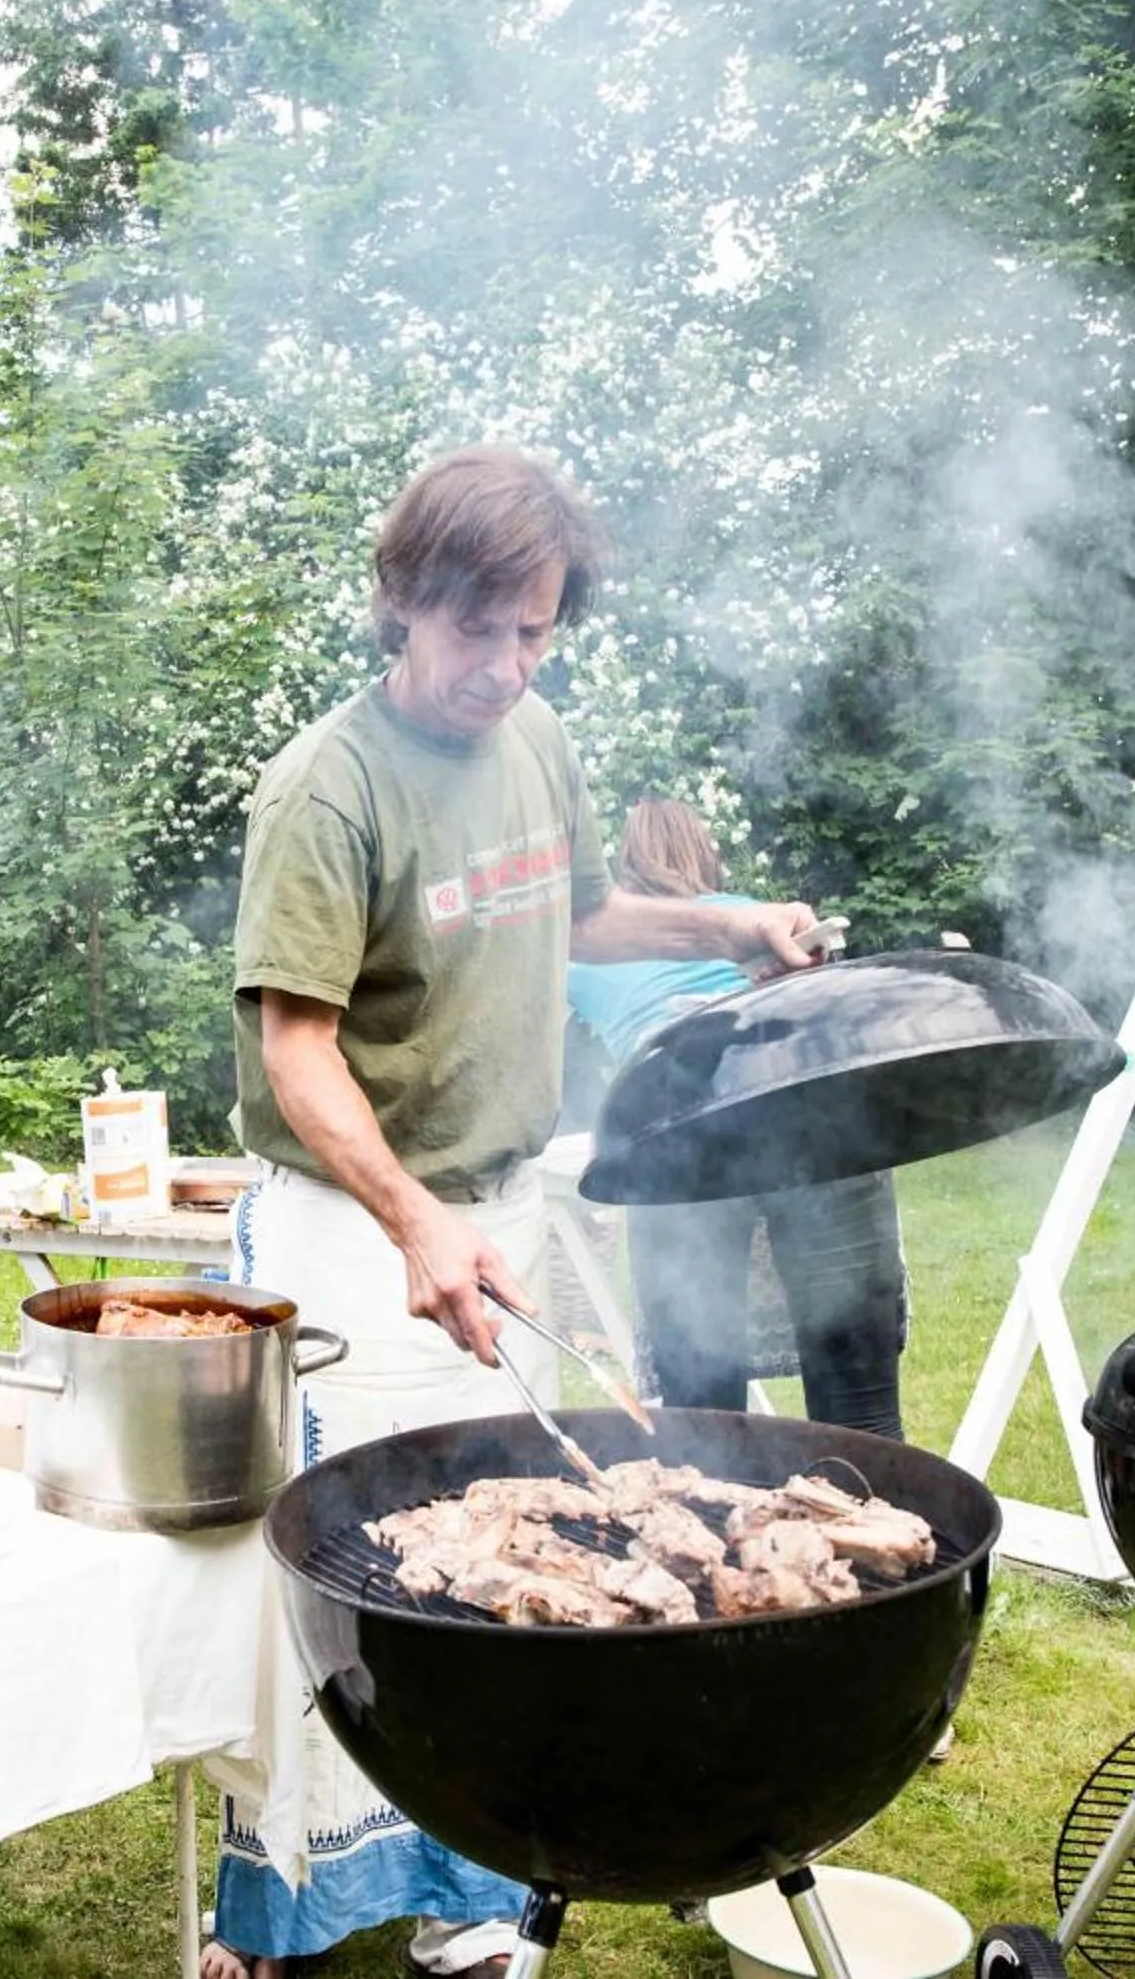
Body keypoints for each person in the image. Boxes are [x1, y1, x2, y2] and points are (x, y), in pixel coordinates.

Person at [210, 446, 824, 1979]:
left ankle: (480, 1887)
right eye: (479, 629)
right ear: (404, 603)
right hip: (353, 1224)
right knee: (350, 1575)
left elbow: (579, 913)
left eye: (536, 632)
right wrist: (415, 1219)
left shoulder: (537, 736)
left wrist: (725, 919)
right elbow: (296, 1048)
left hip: (502, 1203)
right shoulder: (326, 785)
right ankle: (283, 1911)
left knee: (507, 1559)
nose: (506, 665)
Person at [565, 799, 910, 1436]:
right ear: (706, 852)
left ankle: (716, 1521)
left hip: (679, 1134)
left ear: (621, 867)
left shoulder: (582, 953)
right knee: (860, 1415)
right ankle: (877, 1526)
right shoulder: (753, 913)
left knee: (705, 1421)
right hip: (815, 1115)